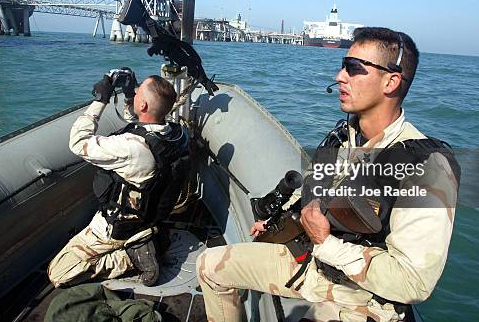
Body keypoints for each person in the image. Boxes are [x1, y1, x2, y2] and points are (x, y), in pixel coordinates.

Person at [196, 28, 460, 321]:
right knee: (209, 266)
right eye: (343, 66)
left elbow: (413, 282)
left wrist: (326, 243)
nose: (340, 76)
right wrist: (280, 218)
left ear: (391, 81)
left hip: (360, 297)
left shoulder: (428, 167)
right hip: (310, 261)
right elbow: (315, 193)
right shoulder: (344, 137)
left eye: (353, 68)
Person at [48, 72, 188, 288]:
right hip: (148, 215)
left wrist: (100, 100)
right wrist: (130, 94)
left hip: (117, 228)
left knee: (58, 272)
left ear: (142, 105)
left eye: (138, 92)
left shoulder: (131, 148)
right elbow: (139, 122)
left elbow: (77, 142)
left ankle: (129, 258)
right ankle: (150, 239)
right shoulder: (175, 135)